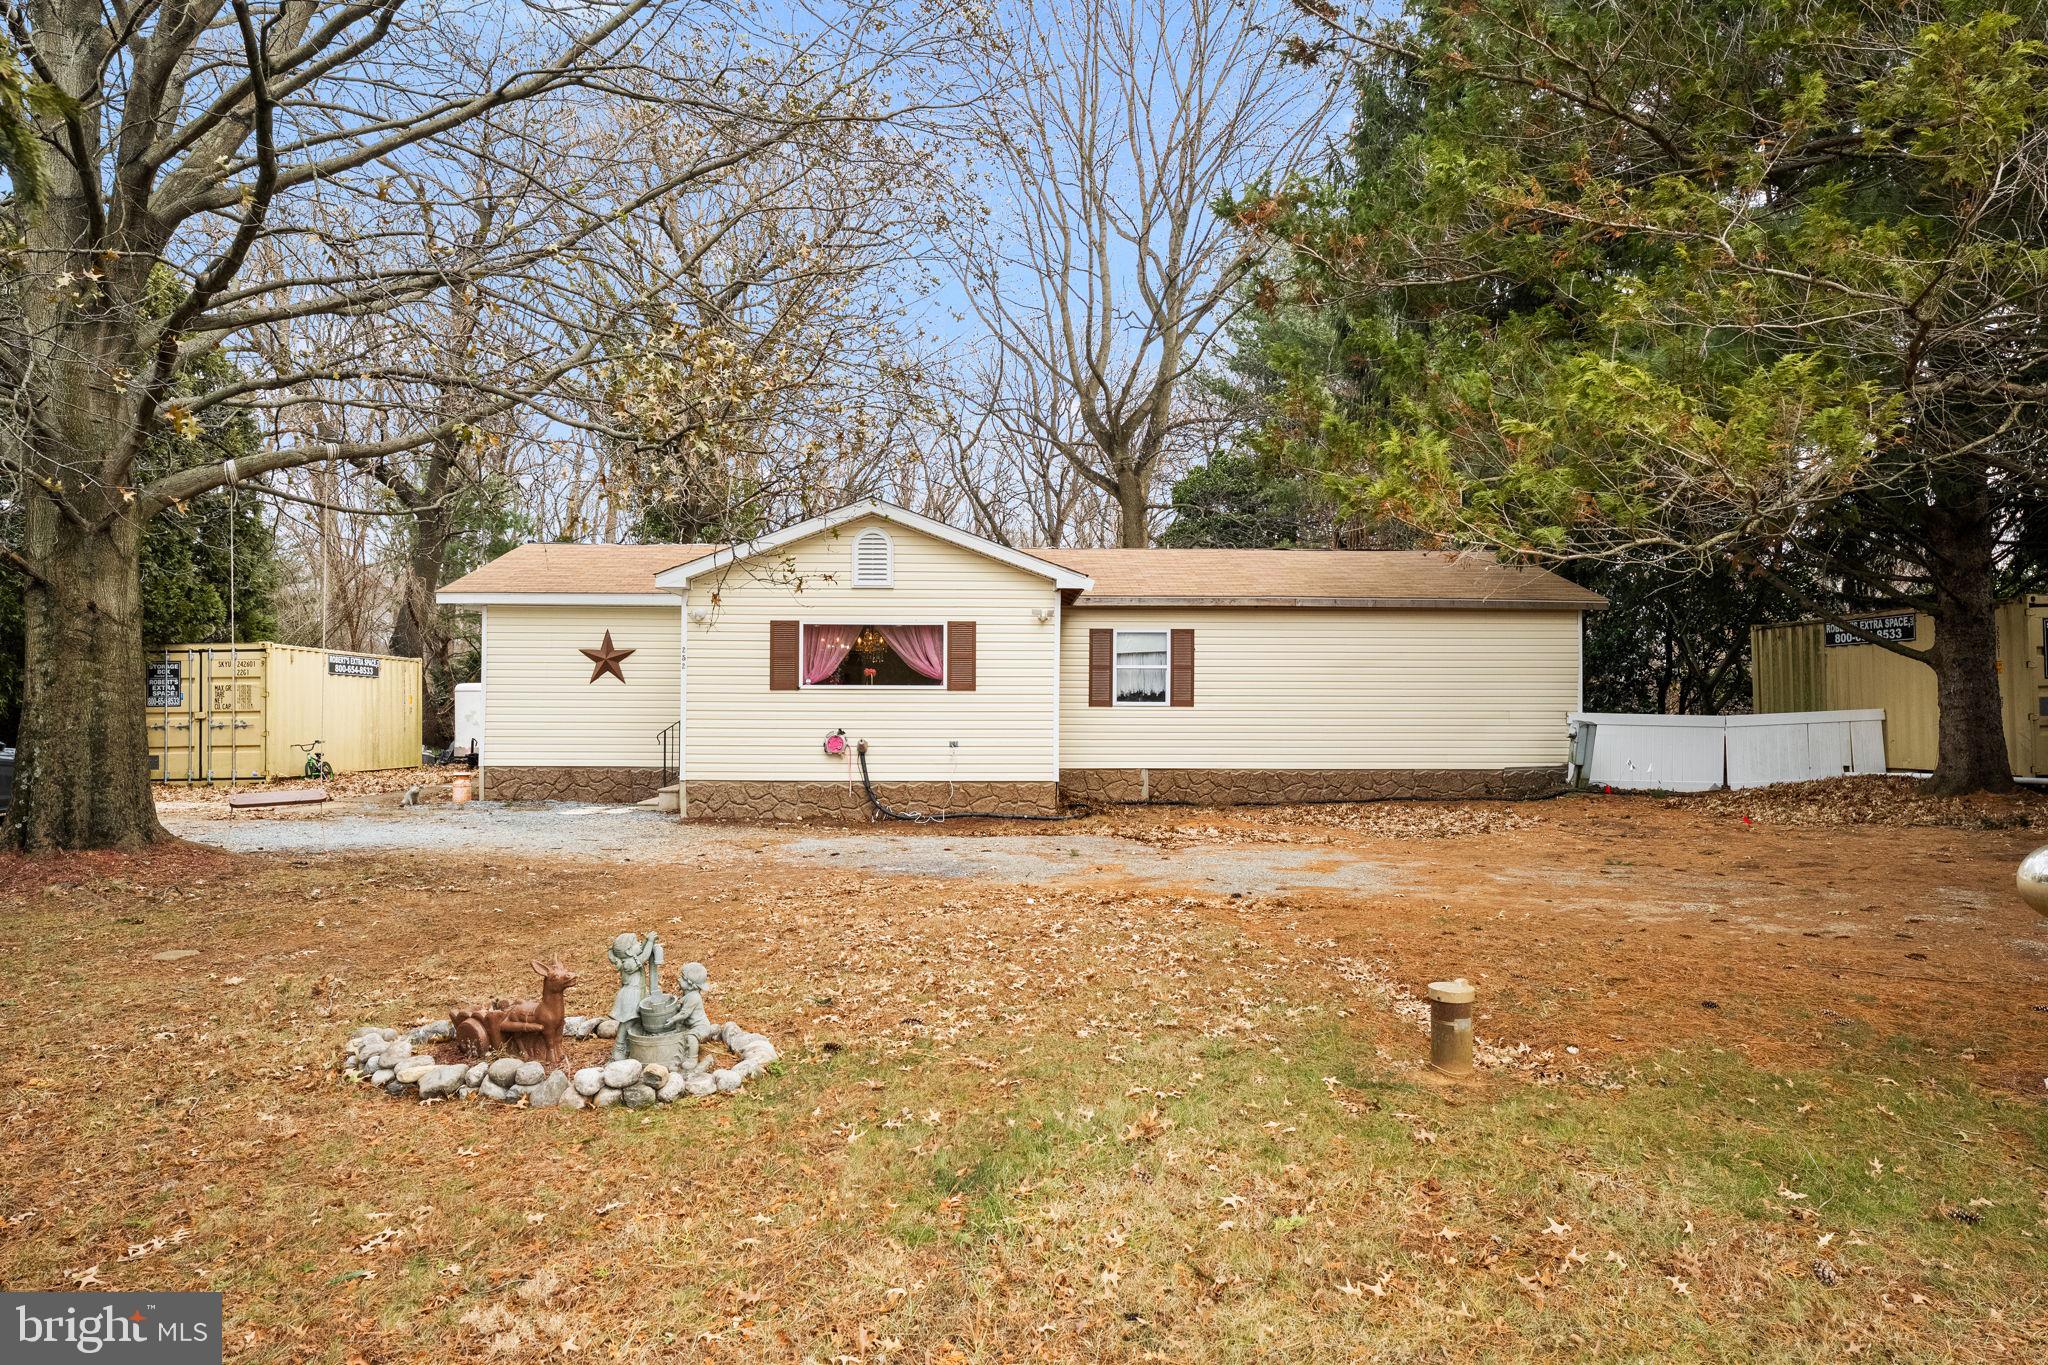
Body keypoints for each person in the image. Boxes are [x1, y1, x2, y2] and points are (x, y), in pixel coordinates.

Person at [607, 931, 659, 1022]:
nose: (639, 943)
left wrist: (646, 940)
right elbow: (644, 956)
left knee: (638, 1016)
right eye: (636, 942)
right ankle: (624, 1031)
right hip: (631, 995)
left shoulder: (626, 959)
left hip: (638, 990)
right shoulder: (629, 964)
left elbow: (640, 948)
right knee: (629, 1020)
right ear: (629, 951)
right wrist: (650, 942)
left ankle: (636, 1028)